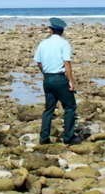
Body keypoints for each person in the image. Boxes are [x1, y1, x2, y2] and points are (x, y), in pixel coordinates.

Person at [34, 17, 81, 145]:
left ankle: (44, 137)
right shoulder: (64, 43)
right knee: (70, 107)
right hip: (60, 78)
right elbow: (67, 63)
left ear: (51, 30)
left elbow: (38, 62)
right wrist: (71, 81)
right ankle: (68, 136)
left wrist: (45, 73)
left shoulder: (43, 43)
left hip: (48, 78)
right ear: (62, 31)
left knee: (48, 109)